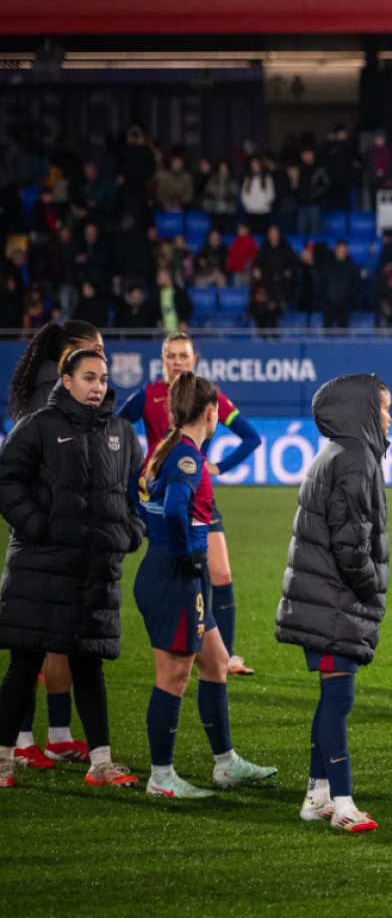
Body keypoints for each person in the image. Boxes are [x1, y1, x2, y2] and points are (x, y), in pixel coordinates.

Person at [0, 348, 144, 789]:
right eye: (88, 378)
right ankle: (3, 758)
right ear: (66, 380)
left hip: (95, 571)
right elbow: (6, 480)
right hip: (41, 570)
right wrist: (39, 526)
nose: (98, 387)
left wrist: (131, 533)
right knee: (24, 664)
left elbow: (136, 493)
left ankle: (101, 762)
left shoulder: (121, 430)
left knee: (90, 665)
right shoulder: (40, 426)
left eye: (102, 379)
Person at [132, 372, 277, 800]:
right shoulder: (188, 458)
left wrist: (157, 536)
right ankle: (161, 777)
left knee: (215, 663)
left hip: (172, 574)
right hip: (175, 577)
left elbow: (134, 494)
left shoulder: (166, 448)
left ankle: (226, 765)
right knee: (173, 678)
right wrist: (182, 551)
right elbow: (176, 507)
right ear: (211, 412)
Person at [275, 374, 392, 833]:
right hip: (334, 602)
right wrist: (370, 587)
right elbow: (350, 545)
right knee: (337, 700)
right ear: (363, 410)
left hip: (324, 599)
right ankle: (342, 804)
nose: (389, 417)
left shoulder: (341, 453)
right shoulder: (355, 459)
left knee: (332, 699)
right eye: (383, 408)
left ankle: (317, 795)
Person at [120, 333, 263, 676]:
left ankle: (224, 657)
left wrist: (219, 467)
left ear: (194, 358)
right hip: (165, 498)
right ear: (163, 359)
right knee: (182, 571)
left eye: (183, 355)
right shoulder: (149, 395)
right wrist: (134, 476)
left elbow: (251, 436)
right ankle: (192, 653)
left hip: (196, 496)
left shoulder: (207, 397)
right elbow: (116, 430)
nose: (177, 361)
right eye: (171, 356)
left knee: (220, 572)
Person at [4, 320, 106, 769]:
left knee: (56, 646)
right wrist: (41, 525)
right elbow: (19, 474)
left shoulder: (57, 390)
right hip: (47, 548)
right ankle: (23, 739)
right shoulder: (51, 397)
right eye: (94, 353)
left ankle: (53, 736)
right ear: (69, 361)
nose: (101, 365)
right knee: (36, 647)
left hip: (60, 545)